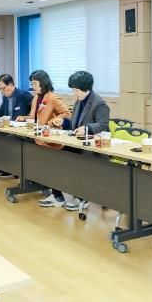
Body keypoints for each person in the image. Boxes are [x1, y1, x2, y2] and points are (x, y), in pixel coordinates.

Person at [51, 71, 110, 211]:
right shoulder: (79, 101)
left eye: (76, 90)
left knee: (76, 161)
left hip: (94, 149)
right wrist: (64, 122)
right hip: (78, 144)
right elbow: (75, 124)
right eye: (73, 90)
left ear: (86, 88)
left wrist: (87, 128)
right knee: (56, 156)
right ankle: (57, 194)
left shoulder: (99, 103)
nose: (74, 93)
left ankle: (82, 198)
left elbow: (103, 125)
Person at [16, 70, 71, 207]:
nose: (33, 86)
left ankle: (58, 196)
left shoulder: (52, 97)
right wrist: (24, 118)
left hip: (49, 140)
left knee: (48, 164)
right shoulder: (36, 98)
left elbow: (66, 114)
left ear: (43, 83)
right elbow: (33, 117)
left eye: (35, 83)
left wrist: (51, 123)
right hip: (37, 136)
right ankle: (38, 183)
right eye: (32, 83)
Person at [0, 73, 33, 178]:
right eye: (0, 89)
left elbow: (35, 113)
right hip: (9, 129)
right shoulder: (5, 98)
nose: (1, 91)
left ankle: (12, 169)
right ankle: (2, 166)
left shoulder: (24, 96)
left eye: (3, 88)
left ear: (11, 85)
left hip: (22, 131)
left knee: (7, 140)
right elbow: (0, 113)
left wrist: (25, 117)